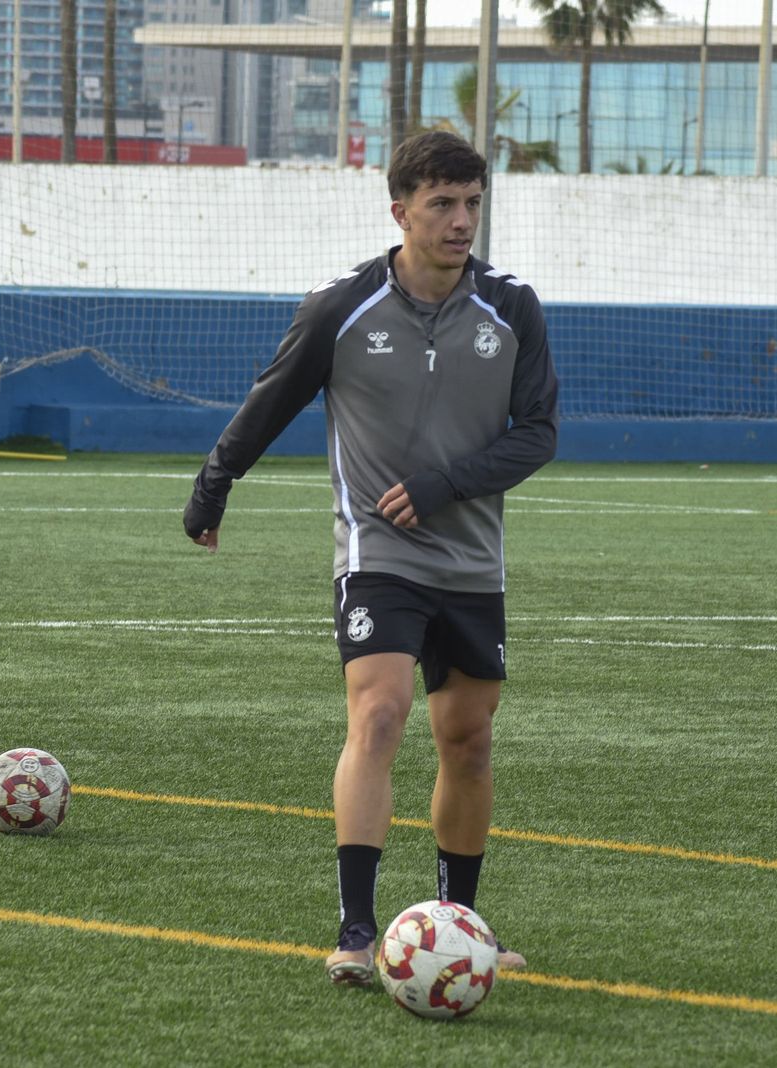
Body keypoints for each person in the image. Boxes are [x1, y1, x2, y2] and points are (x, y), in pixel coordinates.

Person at [182, 131, 558, 984]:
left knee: (468, 739)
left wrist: (444, 484)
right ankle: (356, 932)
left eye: (472, 204)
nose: (461, 221)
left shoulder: (513, 308)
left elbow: (538, 433)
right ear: (400, 211)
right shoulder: (341, 306)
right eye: (442, 204)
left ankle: (459, 922)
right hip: (377, 550)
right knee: (380, 714)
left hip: (472, 561)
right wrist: (214, 485)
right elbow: (271, 399)